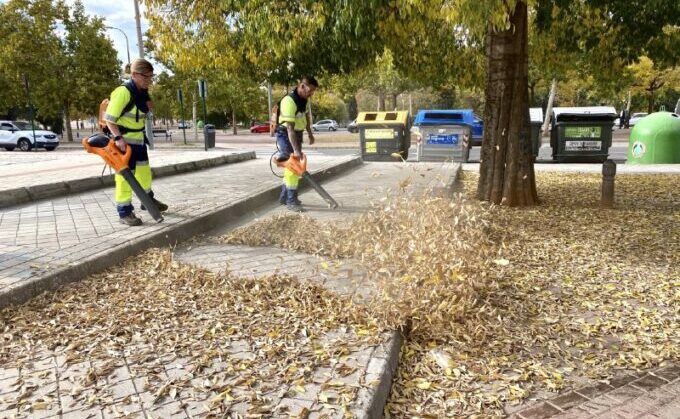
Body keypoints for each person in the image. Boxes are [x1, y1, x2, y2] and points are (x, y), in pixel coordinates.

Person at [103, 58, 168, 226]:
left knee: (144, 173)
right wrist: (118, 138)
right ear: (133, 75)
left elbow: (144, 110)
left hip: (138, 141)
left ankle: (147, 201)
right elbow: (109, 119)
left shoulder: (141, 91)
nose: (149, 80)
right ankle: (124, 212)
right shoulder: (123, 92)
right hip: (124, 143)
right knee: (125, 177)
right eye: (145, 77)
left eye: (151, 77)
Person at [273, 76, 318, 212]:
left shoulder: (303, 100)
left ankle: (284, 197)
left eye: (313, 91)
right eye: (310, 90)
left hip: (296, 134)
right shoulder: (289, 101)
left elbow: (304, 117)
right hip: (286, 135)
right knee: (293, 166)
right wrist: (296, 151)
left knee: (290, 167)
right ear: (302, 86)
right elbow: (289, 128)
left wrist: (309, 133)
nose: (311, 94)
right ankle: (291, 201)